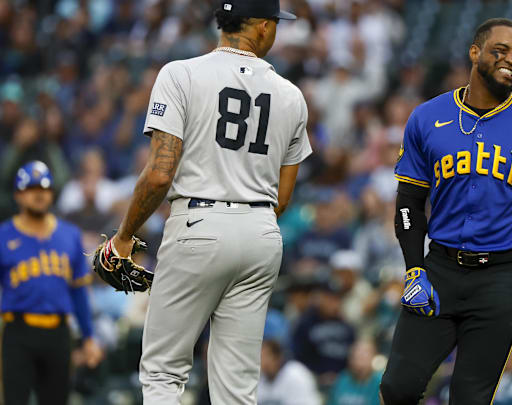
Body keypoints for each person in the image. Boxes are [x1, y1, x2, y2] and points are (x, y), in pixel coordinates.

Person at [94, 0, 312, 403]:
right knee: (237, 386)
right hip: (261, 233)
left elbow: (159, 173)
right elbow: (283, 197)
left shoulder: (181, 74)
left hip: (198, 224)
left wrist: (124, 236)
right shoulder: (291, 95)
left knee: (163, 371)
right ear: (263, 27)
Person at [380, 18, 512, 404]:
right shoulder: (427, 117)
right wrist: (414, 269)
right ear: (475, 52)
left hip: (502, 278)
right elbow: (409, 204)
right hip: (441, 270)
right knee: (397, 387)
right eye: (501, 50)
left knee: (470, 398)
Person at [0, 161, 102, 405]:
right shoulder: (3, 235)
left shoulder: (69, 235)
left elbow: (79, 291)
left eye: (44, 188)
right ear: (18, 195)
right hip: (17, 331)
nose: (39, 194)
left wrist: (88, 337)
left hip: (58, 333)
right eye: (31, 188)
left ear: (52, 193)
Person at [256, 339, 322, 405]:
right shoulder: (259, 378)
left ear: (277, 358)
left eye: (264, 356)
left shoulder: (296, 374)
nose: (261, 361)